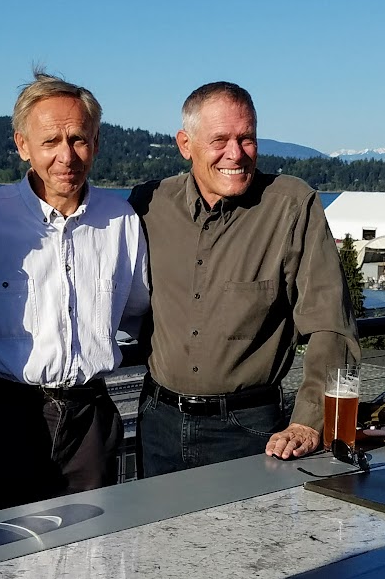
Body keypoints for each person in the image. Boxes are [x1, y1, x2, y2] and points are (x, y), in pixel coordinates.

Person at [0, 70, 150, 512]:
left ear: (97, 142)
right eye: (50, 142)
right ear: (22, 146)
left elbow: (135, 310)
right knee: (0, 547)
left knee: (91, 546)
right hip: (3, 413)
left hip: (90, 417)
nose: (66, 156)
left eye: (78, 139)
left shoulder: (122, 221)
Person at [129, 82, 360, 478]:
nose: (235, 154)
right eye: (219, 139)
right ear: (185, 144)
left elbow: (330, 324)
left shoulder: (290, 206)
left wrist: (310, 420)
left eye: (246, 138)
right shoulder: (149, 204)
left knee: (248, 541)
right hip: (158, 421)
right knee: (156, 540)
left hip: (249, 429)